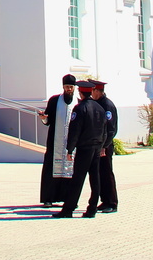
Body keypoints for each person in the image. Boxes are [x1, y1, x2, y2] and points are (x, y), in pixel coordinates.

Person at [56, 80, 107, 219]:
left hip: (84, 148)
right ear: (90, 92)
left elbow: (75, 130)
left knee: (77, 179)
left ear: (80, 92)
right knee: (95, 179)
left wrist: (70, 149)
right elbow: (105, 129)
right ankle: (92, 209)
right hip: (96, 147)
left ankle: (68, 209)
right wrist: (102, 146)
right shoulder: (99, 108)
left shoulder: (79, 108)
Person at [37, 74, 80, 206]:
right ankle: (48, 199)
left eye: (71, 87)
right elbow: (48, 120)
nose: (69, 90)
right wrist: (44, 118)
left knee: (70, 171)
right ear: (63, 87)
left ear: (74, 88)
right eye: (67, 87)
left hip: (71, 144)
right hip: (54, 142)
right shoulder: (55, 101)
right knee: (51, 169)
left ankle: (68, 199)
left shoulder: (78, 102)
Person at [85, 80, 119, 215]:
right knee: (100, 174)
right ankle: (104, 200)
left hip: (106, 145)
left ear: (97, 91)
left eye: (93, 91)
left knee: (107, 173)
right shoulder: (98, 103)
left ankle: (112, 202)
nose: (92, 94)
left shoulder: (107, 105)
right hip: (98, 145)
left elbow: (111, 129)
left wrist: (105, 146)